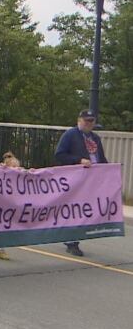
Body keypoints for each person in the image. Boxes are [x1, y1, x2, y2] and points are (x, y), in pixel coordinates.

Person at [54, 109, 108, 257]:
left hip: (91, 180)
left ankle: (72, 237)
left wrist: (110, 170)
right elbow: (60, 154)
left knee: (85, 209)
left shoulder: (95, 138)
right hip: (75, 179)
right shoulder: (70, 135)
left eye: (92, 121)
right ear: (79, 120)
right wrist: (79, 160)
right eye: (86, 120)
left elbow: (101, 158)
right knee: (76, 209)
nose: (89, 123)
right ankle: (72, 242)